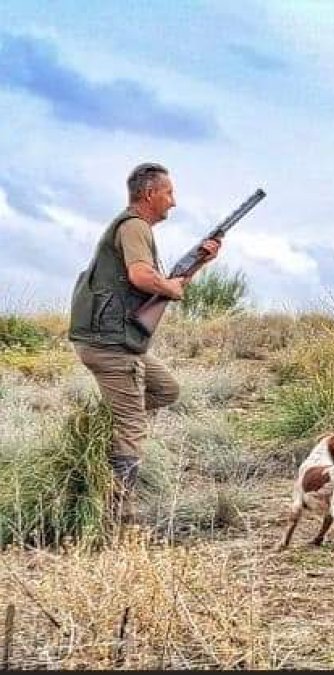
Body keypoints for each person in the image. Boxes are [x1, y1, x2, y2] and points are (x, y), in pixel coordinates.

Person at [67, 162, 221, 524]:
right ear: (150, 194)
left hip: (113, 341)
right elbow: (142, 277)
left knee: (166, 390)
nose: (174, 202)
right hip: (110, 345)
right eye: (169, 193)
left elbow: (155, 284)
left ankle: (100, 431)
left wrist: (198, 264)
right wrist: (169, 286)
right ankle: (116, 517)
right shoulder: (134, 226)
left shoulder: (136, 228)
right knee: (133, 430)